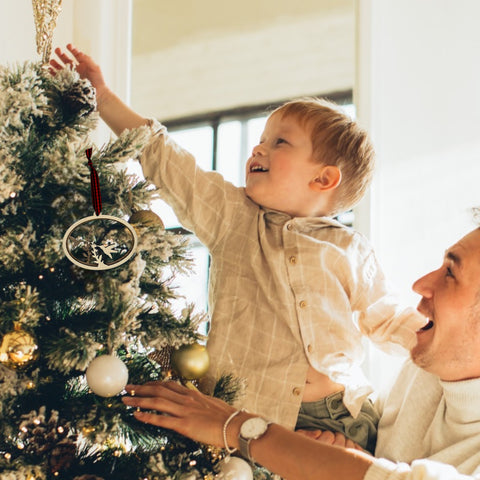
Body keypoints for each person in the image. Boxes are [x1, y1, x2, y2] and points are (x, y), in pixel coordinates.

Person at [50, 45, 426, 453]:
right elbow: (168, 160)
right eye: (261, 139)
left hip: (338, 416)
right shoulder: (234, 218)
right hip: (245, 412)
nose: (257, 149)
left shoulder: (349, 248)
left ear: (323, 179)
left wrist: (444, 342)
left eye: (279, 142)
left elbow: (387, 319)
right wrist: (103, 96)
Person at [122, 225, 480, 479]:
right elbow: (381, 463)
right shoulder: (427, 368)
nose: (421, 285)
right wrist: (350, 454)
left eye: (450, 273)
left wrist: (235, 426)